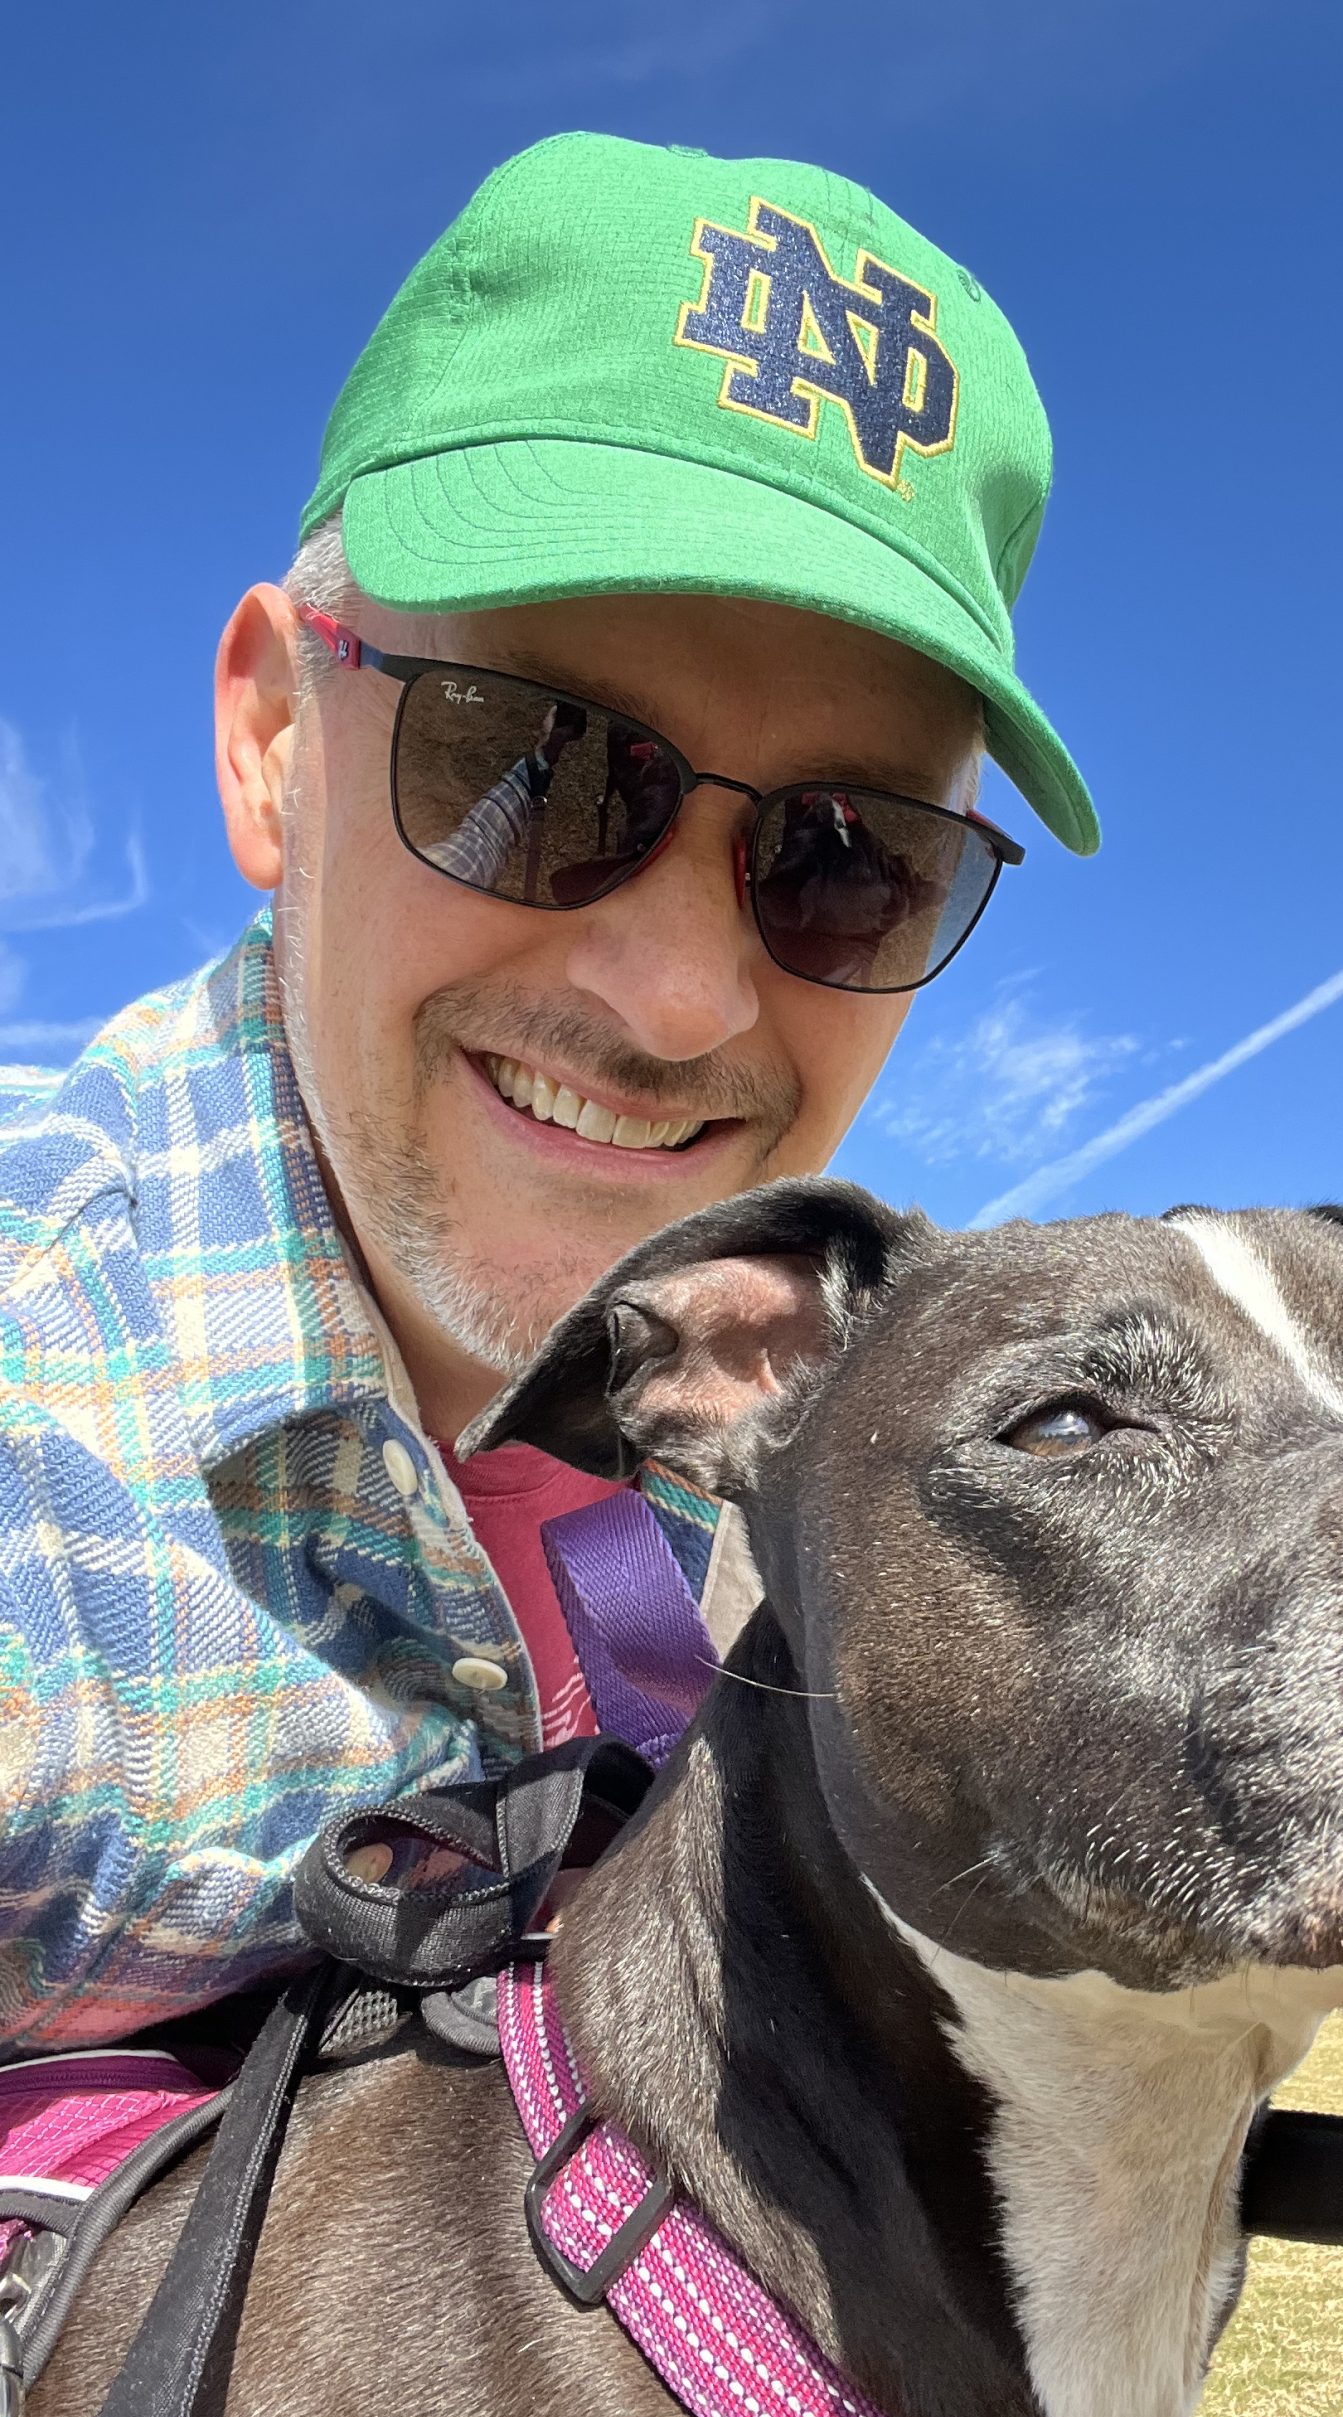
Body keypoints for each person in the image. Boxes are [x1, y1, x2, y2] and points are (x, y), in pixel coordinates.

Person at [0, 133, 1096, 2055]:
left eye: (850, 859)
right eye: (536, 765)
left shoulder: (815, 1474)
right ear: (275, 743)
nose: (679, 998)